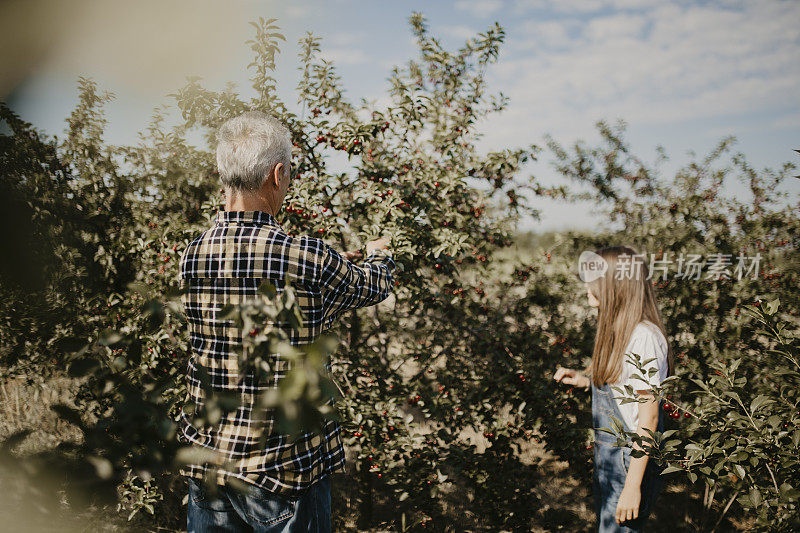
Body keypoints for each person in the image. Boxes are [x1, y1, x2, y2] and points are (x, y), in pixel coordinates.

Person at [178, 110, 395, 532]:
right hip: (280, 475)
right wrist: (380, 254)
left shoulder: (194, 254)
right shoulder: (309, 258)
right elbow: (373, 286)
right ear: (277, 174)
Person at [554, 246, 672, 532]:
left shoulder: (643, 337)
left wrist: (632, 487)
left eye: (593, 284)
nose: (587, 291)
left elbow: (649, 419)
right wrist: (586, 381)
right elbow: (625, 390)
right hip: (611, 459)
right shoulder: (622, 329)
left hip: (628, 463)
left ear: (614, 287)